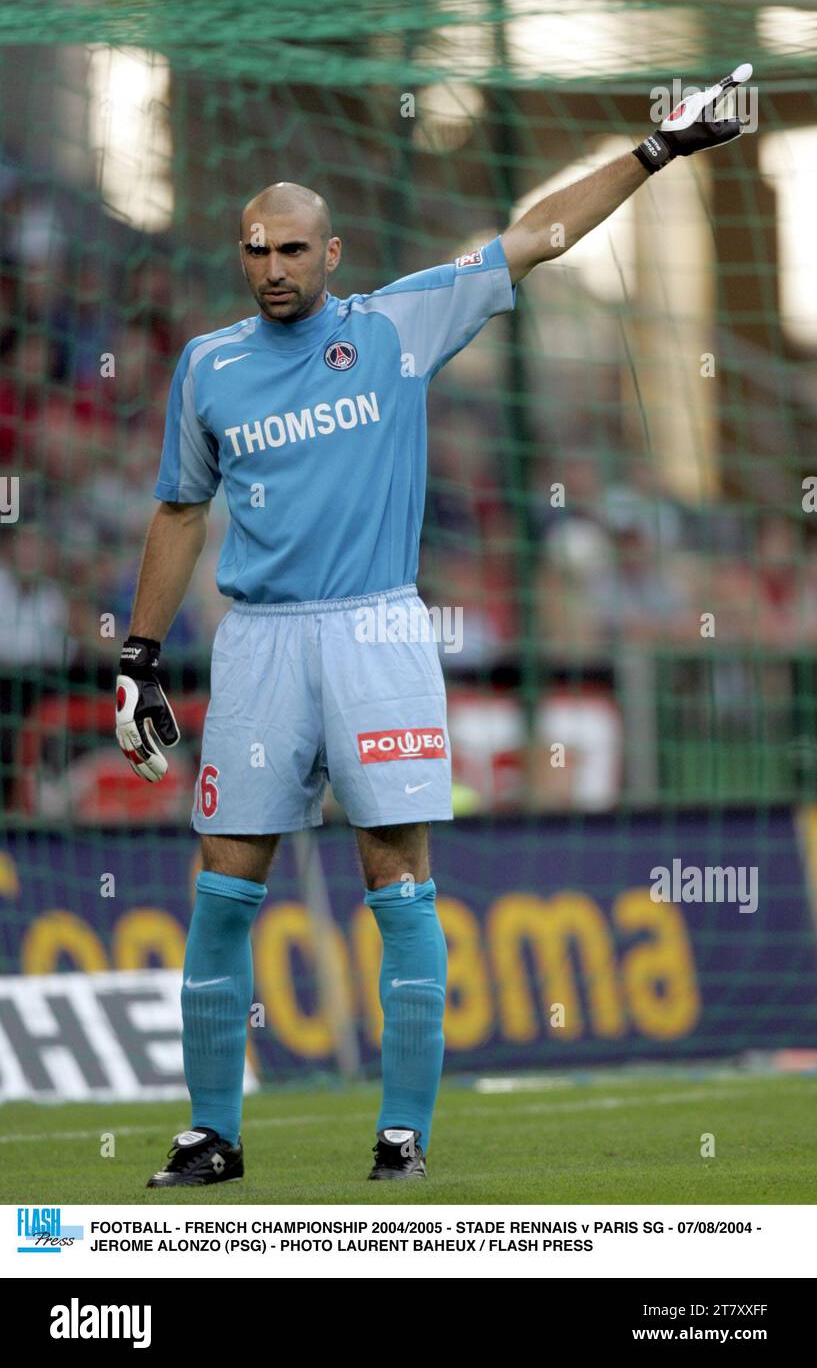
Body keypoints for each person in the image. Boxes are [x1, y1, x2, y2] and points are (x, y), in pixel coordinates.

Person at [115, 78, 748, 1187]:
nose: (273, 268)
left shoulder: (400, 323)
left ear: (333, 252)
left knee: (396, 873)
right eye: (256, 250)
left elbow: (534, 237)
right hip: (258, 641)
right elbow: (178, 510)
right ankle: (211, 1131)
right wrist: (139, 652)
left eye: (294, 250)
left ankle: (400, 1135)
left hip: (375, 634)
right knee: (222, 882)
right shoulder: (205, 365)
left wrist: (656, 150)